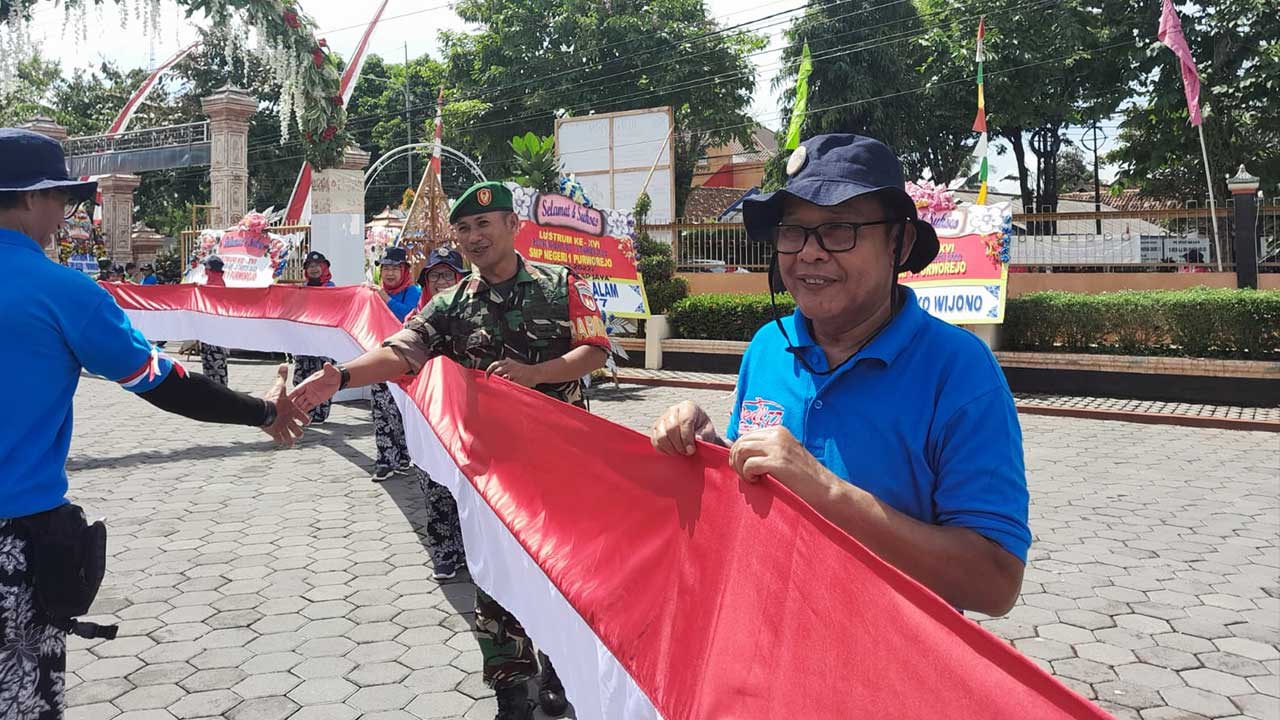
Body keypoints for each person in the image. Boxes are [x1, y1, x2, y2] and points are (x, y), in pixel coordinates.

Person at [649, 134, 1031, 618]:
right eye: (793, 230)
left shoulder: (960, 372)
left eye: (839, 229)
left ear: (900, 242)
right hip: (761, 643)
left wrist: (826, 490)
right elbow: (761, 487)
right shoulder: (769, 346)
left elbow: (994, 584)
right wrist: (709, 451)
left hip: (885, 673)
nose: (809, 253)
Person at [0, 127, 306, 719]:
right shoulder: (62, 292)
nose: (66, 211)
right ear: (33, 197)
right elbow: (164, 384)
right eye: (62, 197)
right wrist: (265, 412)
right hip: (16, 538)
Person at [290, 181, 611, 720]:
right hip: (492, 473)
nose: (473, 236)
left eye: (484, 224)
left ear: (513, 226)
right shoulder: (453, 304)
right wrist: (339, 375)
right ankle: (511, 683)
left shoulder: (562, 286)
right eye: (463, 229)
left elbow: (594, 350)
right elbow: (401, 351)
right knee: (492, 573)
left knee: (564, 573)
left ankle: (561, 670)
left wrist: (536, 375)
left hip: (564, 468)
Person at [413, 246, 468, 580]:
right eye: (436, 275)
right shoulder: (415, 322)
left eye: (449, 274)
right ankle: (444, 551)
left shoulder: (474, 315)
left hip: (468, 418)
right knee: (435, 483)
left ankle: (470, 549)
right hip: (430, 417)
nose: (442, 281)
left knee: (467, 488)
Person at [362, 246, 421, 482]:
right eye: (386, 268)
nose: (390, 274)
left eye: (395, 268)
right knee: (381, 411)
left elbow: (406, 317)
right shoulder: (373, 294)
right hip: (379, 359)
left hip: (405, 363)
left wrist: (385, 299)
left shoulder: (413, 292)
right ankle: (385, 460)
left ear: (405, 270)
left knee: (403, 412)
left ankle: (405, 456)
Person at [292, 250, 337, 424]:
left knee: (322, 376)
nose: (314, 269)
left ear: (324, 267)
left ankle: (320, 414)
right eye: (310, 266)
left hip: (324, 341)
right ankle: (303, 411)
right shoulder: (301, 289)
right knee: (301, 375)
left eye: (317, 265)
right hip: (303, 342)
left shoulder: (333, 289)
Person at [199, 255, 231, 387]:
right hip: (206, 330)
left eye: (206, 267)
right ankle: (211, 389)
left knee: (217, 363)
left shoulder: (217, 285)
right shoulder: (208, 284)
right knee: (207, 362)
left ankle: (222, 391)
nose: (204, 270)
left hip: (216, 332)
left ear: (210, 268)